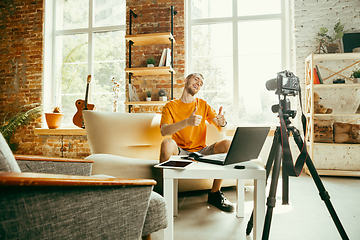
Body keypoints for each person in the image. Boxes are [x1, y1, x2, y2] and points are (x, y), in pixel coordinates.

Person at [159, 73, 234, 212]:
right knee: (167, 143)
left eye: (201, 83)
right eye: (196, 79)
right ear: (186, 80)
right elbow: (164, 131)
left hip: (201, 151)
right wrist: (187, 122)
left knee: (228, 144)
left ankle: (215, 193)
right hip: (180, 151)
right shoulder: (170, 106)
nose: (199, 83)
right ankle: (166, 197)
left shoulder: (203, 105)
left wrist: (223, 123)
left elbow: (221, 129)